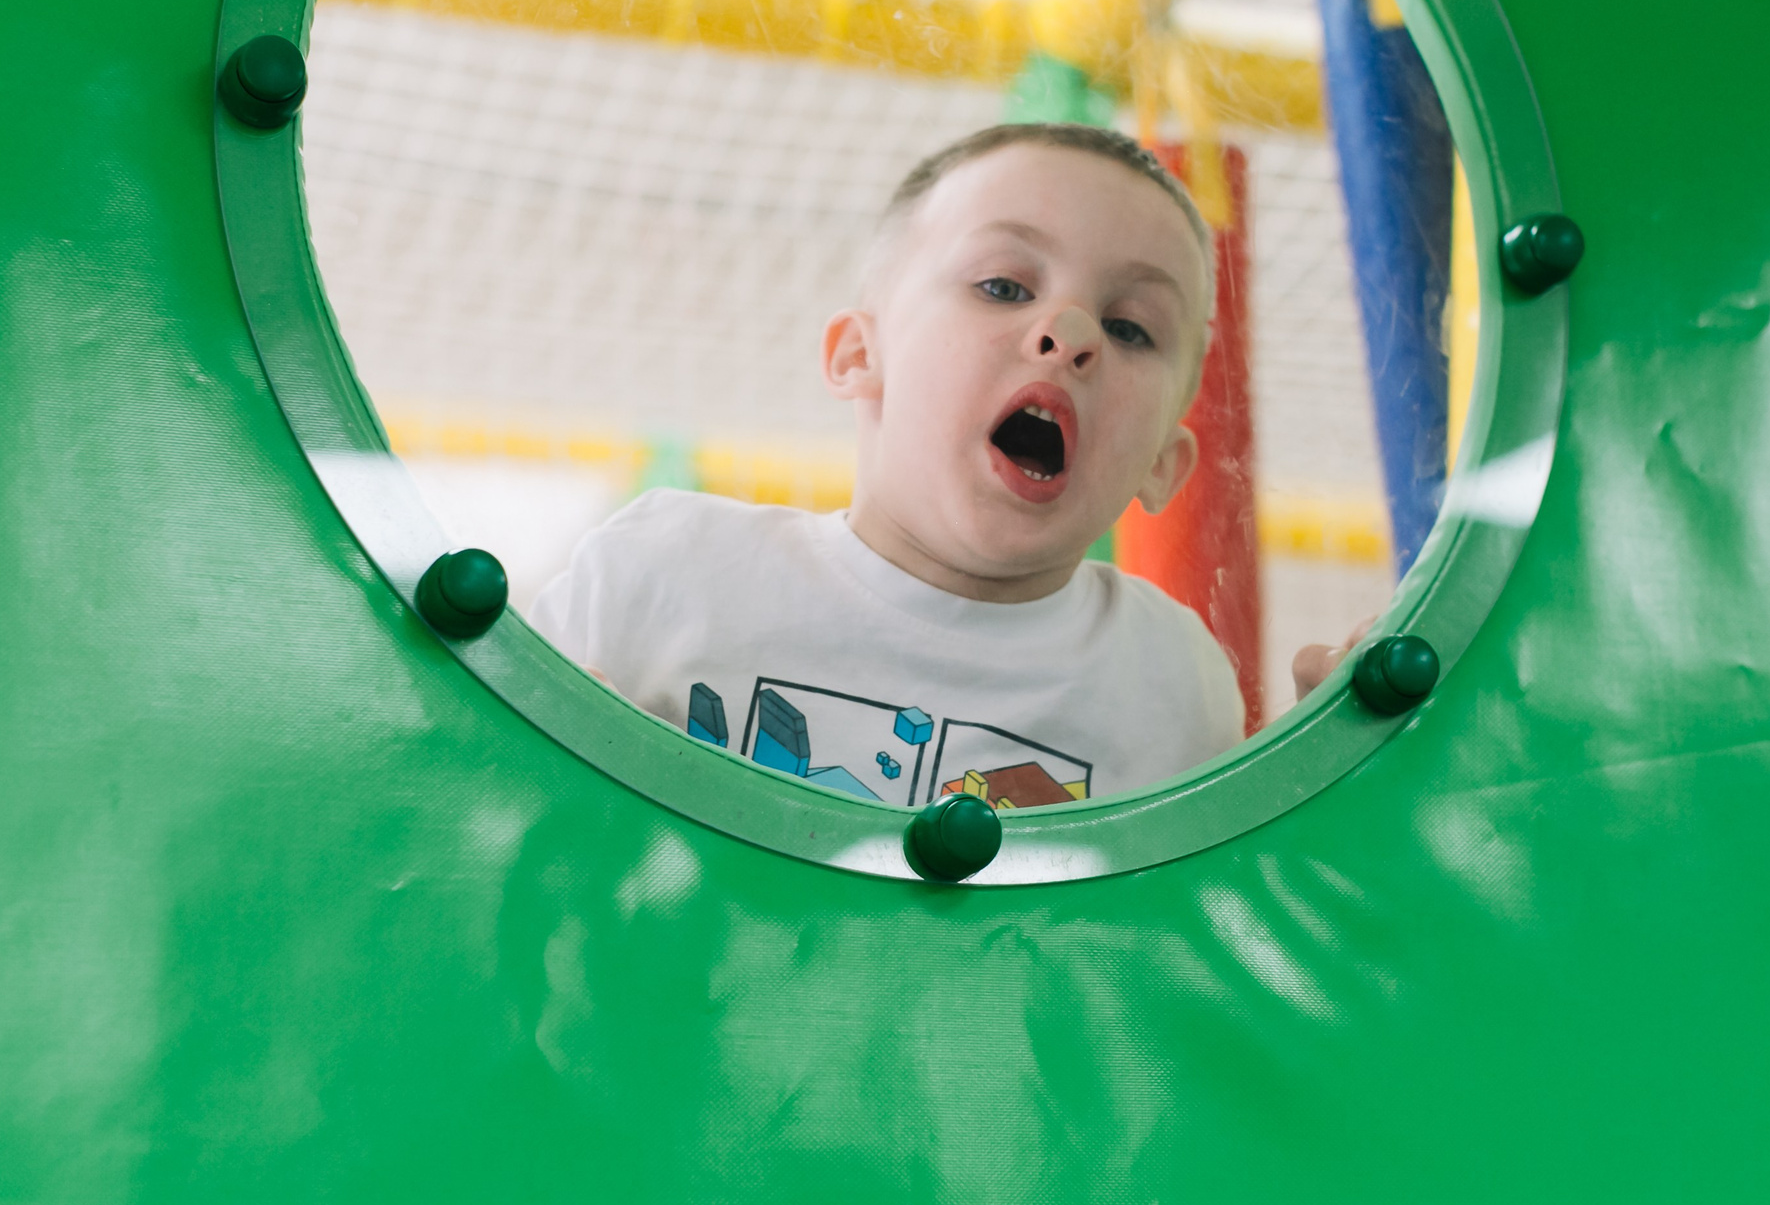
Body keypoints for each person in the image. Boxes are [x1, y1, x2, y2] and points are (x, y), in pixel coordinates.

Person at [528, 122, 1249, 809]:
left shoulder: (1173, 686)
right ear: (858, 356)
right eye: (1003, 286)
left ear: (1163, 463)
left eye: (1129, 327)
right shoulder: (668, 571)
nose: (1069, 333)